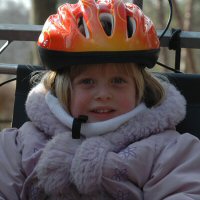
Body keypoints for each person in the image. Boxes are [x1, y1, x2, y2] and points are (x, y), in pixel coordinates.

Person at [0, 0, 200, 199]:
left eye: (118, 81)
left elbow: (184, 192)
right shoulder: (21, 144)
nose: (103, 94)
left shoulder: (169, 150)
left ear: (140, 88)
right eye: (87, 81)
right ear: (64, 89)